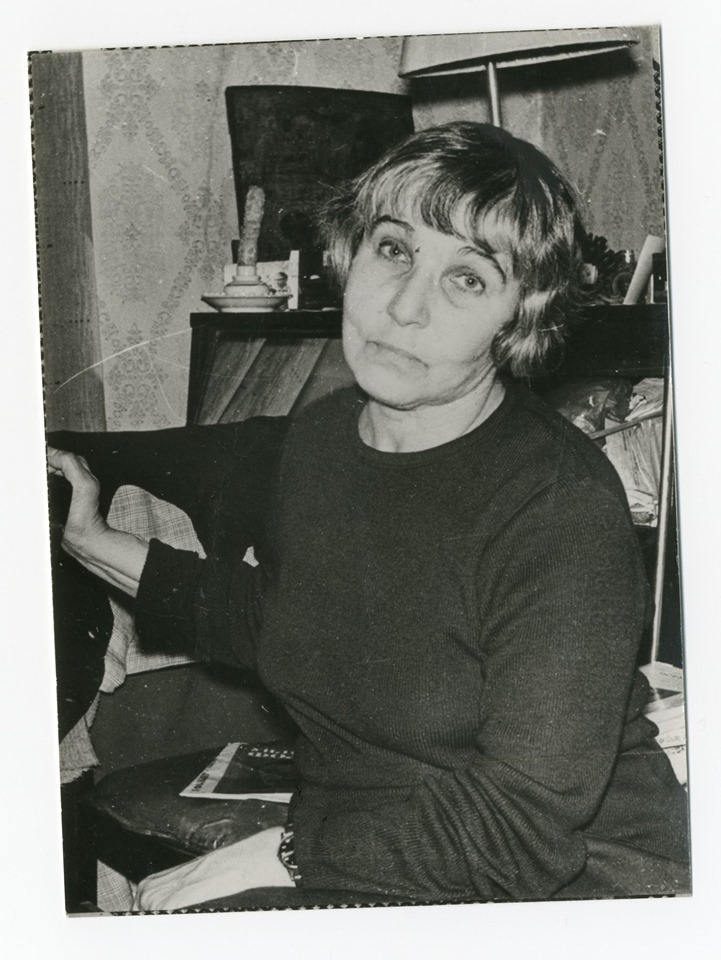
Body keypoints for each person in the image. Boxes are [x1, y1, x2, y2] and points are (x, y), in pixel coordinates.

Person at [47, 121, 689, 911]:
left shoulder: (556, 503)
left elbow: (522, 828)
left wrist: (287, 855)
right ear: (350, 254)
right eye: (393, 249)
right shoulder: (322, 438)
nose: (405, 306)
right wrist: (97, 545)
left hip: (575, 888)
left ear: (519, 317)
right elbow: (289, 621)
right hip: (386, 849)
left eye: (467, 279)